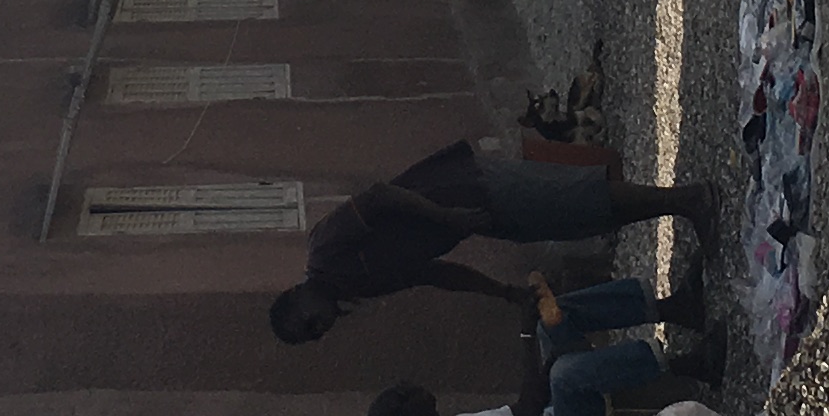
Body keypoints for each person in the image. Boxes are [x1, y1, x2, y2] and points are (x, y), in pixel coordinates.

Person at [268, 140, 719, 344]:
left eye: (308, 323)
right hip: (474, 216)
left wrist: (445, 215)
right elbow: (433, 273)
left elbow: (379, 195)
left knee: (574, 196)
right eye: (315, 335)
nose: (320, 326)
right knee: (577, 215)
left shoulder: (325, 250)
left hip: (463, 187)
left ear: (297, 298)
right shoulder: (355, 286)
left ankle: (687, 198)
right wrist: (501, 292)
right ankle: (680, 209)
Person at [365, 276, 721, 416]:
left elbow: (525, 408)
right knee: (565, 375)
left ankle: (673, 307)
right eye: (404, 395)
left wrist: (544, 351)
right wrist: (529, 341)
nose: (412, 387)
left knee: (552, 317)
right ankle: (692, 364)